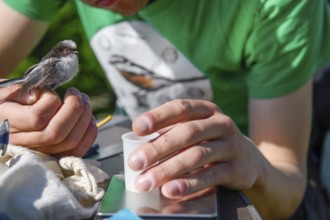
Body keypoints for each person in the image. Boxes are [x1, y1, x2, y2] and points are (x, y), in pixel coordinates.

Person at [0, 0, 330, 219]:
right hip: (130, 151)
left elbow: (287, 185)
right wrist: (10, 115)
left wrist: (255, 170)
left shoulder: (274, 6)